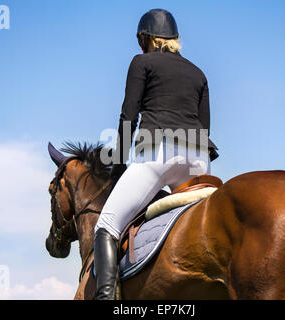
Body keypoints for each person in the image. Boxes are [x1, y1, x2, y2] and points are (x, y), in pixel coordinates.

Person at [93, 8, 218, 300]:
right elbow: (205, 128)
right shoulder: (198, 73)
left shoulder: (141, 62)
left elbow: (128, 117)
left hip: (159, 152)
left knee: (106, 226)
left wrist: (119, 163)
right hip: (199, 158)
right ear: (174, 39)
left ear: (146, 39)